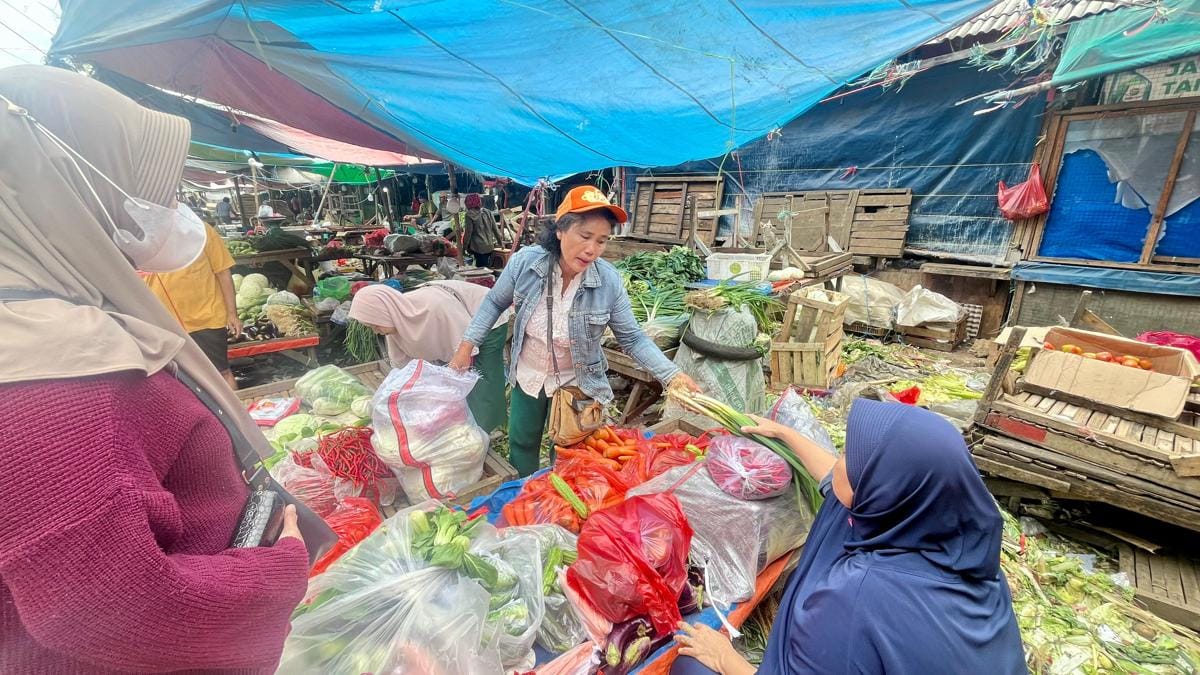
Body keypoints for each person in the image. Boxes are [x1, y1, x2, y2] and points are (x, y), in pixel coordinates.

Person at [0, 65, 309, 673]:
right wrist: (278, 567)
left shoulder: (48, 332)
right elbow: (108, 608)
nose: (168, 208)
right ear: (64, 187)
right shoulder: (47, 379)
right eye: (143, 189)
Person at [672, 399, 1027, 675]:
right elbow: (835, 478)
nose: (840, 461)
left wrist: (724, 658)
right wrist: (784, 434)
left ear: (881, 492)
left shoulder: (856, 594)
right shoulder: (958, 540)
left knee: (691, 664)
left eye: (850, 459)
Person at [450, 185, 699, 476]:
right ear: (560, 230)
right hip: (529, 374)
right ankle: (524, 498)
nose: (592, 249)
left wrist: (673, 376)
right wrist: (466, 346)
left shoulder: (608, 281)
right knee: (522, 443)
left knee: (570, 454)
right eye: (585, 236)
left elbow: (632, 338)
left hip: (577, 381)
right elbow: (494, 302)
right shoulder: (526, 264)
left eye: (602, 241)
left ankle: (559, 509)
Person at [349, 281, 509, 433]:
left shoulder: (435, 308)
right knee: (450, 381)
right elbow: (404, 368)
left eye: (375, 325)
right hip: (457, 327)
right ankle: (465, 420)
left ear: (384, 313)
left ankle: (486, 430)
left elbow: (466, 344)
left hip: (485, 320)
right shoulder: (398, 318)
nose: (375, 331)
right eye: (371, 327)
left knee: (482, 379)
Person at [143, 221, 243, 389]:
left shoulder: (200, 229)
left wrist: (232, 313)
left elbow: (223, 271)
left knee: (221, 374)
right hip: (162, 324)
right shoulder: (137, 235)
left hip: (206, 318)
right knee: (178, 381)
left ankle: (237, 414)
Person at [462, 192, 501, 267]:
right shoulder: (488, 212)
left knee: (481, 269)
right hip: (490, 246)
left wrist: (464, 247)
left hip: (478, 248)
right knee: (487, 267)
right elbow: (495, 229)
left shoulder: (469, 214)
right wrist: (500, 243)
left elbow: (468, 233)